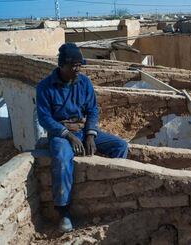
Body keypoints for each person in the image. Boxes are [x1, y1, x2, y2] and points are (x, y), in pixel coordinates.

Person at [36, 43, 128, 233]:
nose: (77, 70)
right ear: (62, 66)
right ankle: (64, 212)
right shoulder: (45, 87)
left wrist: (90, 135)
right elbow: (45, 118)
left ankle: (114, 194)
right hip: (61, 133)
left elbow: (92, 110)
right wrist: (68, 136)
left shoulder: (84, 82)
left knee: (120, 146)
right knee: (61, 160)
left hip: (82, 129)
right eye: (73, 66)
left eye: (80, 66)